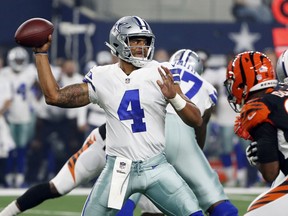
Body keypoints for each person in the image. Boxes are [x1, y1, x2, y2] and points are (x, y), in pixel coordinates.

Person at [31, 15, 204, 216]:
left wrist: (175, 97)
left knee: (194, 214)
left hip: (156, 167)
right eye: (135, 41)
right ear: (118, 42)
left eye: (145, 41)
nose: (142, 46)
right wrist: (40, 54)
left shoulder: (160, 72)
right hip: (119, 170)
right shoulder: (102, 76)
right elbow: (54, 96)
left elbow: (196, 119)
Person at [224, 50, 288, 216]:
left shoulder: (260, 107)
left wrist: (260, 160)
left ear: (243, 83)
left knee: (255, 212)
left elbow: (270, 172)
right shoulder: (281, 98)